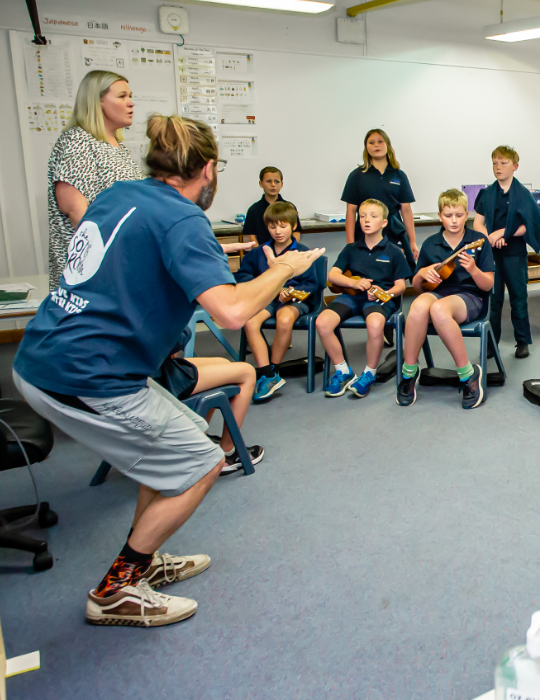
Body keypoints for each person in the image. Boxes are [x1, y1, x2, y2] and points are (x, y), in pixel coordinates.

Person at [13, 114, 323, 627]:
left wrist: (213, 253)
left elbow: (137, 250)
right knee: (201, 460)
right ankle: (115, 590)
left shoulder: (119, 194)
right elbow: (231, 311)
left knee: (169, 448)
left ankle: (143, 567)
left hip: (46, 354)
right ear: (208, 170)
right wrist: (284, 268)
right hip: (87, 375)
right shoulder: (183, 219)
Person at [46, 69, 144, 291]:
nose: (131, 103)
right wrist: (112, 261)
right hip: (92, 269)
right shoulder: (77, 141)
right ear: (97, 101)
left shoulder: (116, 146)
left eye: (130, 96)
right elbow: (75, 211)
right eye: (122, 96)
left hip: (121, 261)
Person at [398, 189, 495, 409]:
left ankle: (467, 375)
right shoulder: (431, 244)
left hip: (470, 297)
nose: (453, 220)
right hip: (437, 293)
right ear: (440, 216)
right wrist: (422, 274)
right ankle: (409, 372)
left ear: (467, 214)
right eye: (448, 215)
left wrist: (473, 270)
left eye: (459, 215)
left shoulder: (478, 241)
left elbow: (488, 284)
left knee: (439, 310)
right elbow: (417, 286)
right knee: (418, 306)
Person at [318, 199, 411, 399]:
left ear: (384, 223)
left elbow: (401, 286)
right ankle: (343, 371)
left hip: (379, 300)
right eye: (362, 216)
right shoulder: (351, 249)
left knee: (375, 324)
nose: (366, 220)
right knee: (322, 322)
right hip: (351, 297)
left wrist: (384, 294)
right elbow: (333, 275)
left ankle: (369, 373)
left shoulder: (394, 252)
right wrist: (354, 283)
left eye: (373, 216)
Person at [236, 201, 319, 401]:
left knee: (284, 320)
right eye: (273, 227)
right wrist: (263, 287)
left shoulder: (303, 253)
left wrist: (292, 293)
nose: (277, 231)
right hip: (266, 298)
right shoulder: (258, 253)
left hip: (295, 300)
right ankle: (267, 372)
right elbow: (243, 276)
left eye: (283, 226)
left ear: (293, 226)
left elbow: (311, 284)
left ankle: (273, 369)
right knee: (250, 322)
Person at [154, 328, 263, 474]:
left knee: (221, 362)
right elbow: (176, 338)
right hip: (158, 377)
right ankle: (227, 452)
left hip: (144, 369)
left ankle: (199, 438)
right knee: (248, 372)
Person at [473, 145, 540, 359]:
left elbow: (530, 224)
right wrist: (490, 238)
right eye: (495, 163)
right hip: (491, 255)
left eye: (503, 163)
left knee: (518, 298)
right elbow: (478, 222)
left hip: (514, 254)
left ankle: (522, 341)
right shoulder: (486, 194)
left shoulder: (523, 194)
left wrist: (504, 233)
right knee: (493, 301)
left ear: (515, 166)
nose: (498, 167)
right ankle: (490, 343)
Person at [341, 128, 417, 269]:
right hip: (365, 232)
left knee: (394, 271)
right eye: (371, 142)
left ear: (387, 145)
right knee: (366, 270)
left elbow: (406, 210)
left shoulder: (399, 175)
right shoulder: (356, 176)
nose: (376, 145)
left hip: (393, 231)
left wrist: (412, 241)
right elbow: (351, 212)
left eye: (380, 141)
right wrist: (350, 243)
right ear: (366, 148)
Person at [242, 166, 301, 246]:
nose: (273, 185)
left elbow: (296, 233)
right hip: (263, 253)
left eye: (277, 181)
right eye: (269, 181)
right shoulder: (254, 210)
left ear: (282, 184)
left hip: (286, 253)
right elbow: (252, 237)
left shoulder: (289, 208)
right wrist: (262, 254)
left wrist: (290, 251)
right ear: (261, 183)